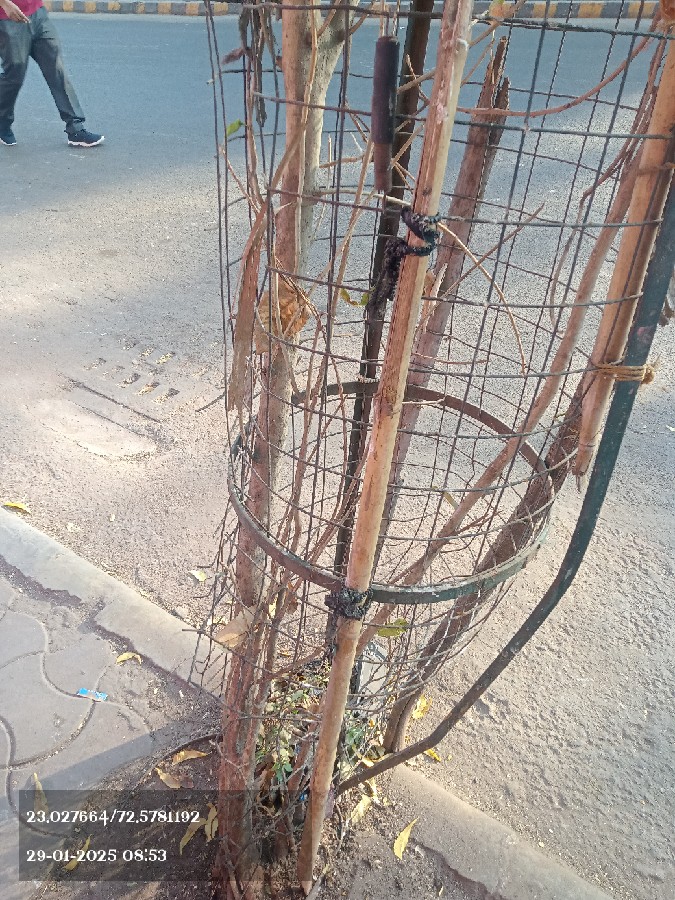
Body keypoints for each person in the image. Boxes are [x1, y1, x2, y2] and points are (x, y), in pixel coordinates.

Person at [0, 0, 103, 147]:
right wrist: (4, 3)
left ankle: (76, 129)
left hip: (38, 14)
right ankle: (2, 122)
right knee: (14, 76)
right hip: (8, 18)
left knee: (56, 70)